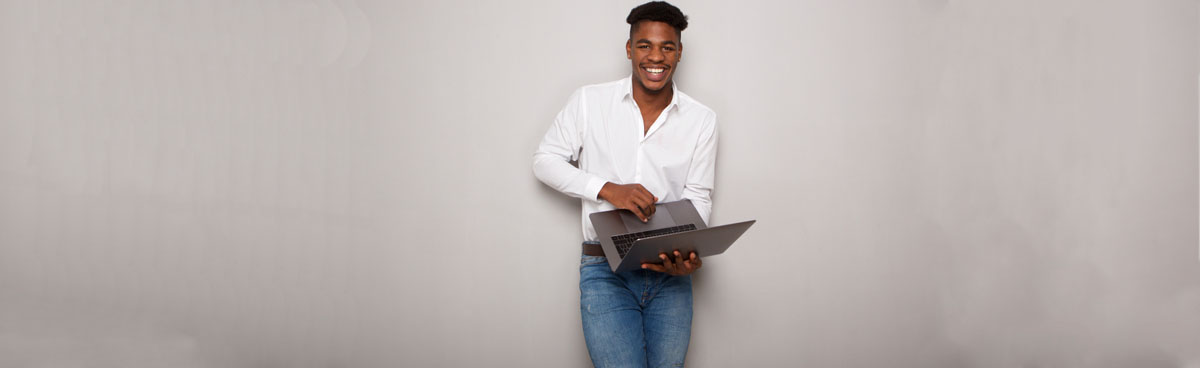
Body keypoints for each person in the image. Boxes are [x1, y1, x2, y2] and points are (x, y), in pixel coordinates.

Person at [532, 2, 717, 366]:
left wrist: (690, 252)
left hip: (670, 275)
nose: (656, 57)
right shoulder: (589, 101)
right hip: (605, 272)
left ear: (679, 52)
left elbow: (699, 197)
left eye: (667, 46)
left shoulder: (702, 119)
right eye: (645, 45)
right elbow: (544, 161)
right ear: (629, 49)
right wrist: (608, 189)